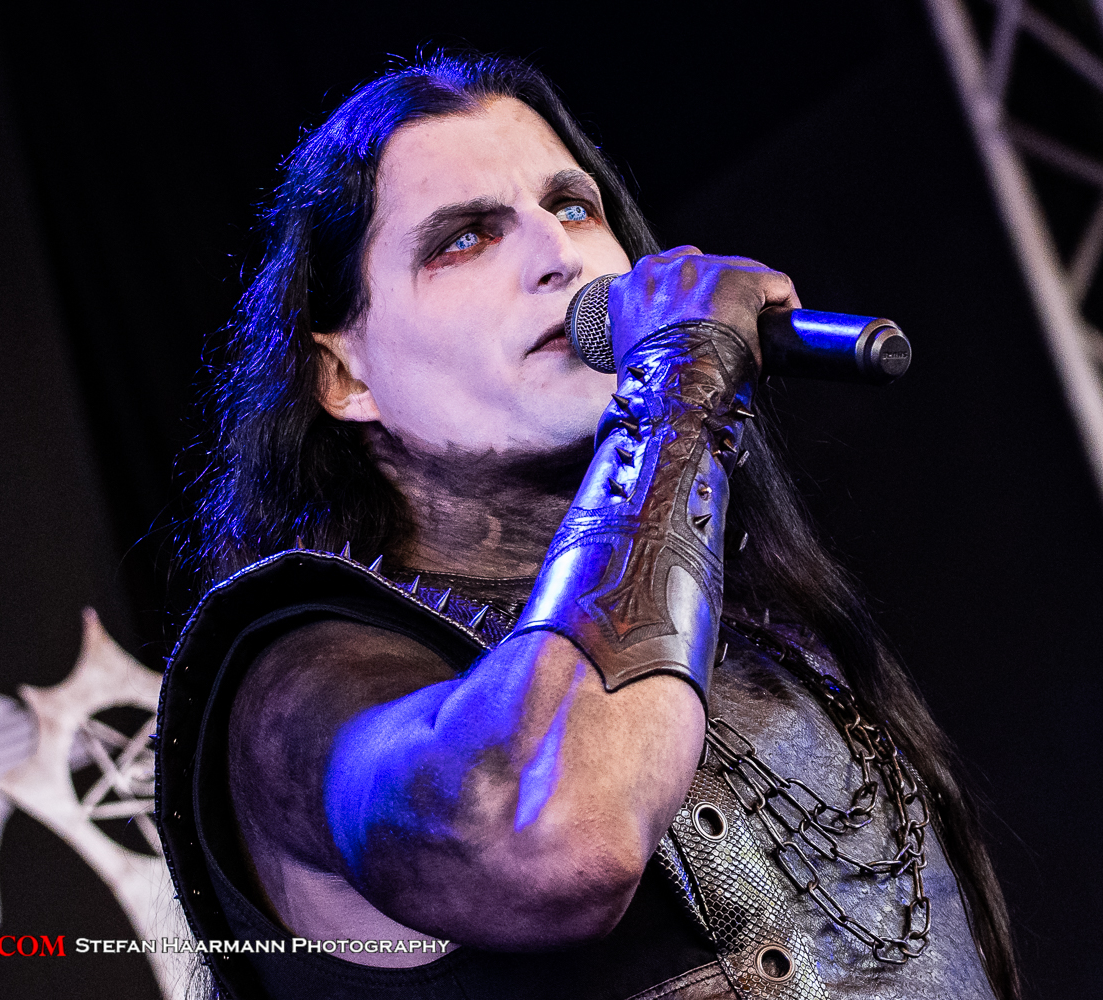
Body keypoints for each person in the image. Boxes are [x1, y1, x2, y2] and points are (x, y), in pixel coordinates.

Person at [155, 52, 1020, 1000]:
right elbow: (550, 836)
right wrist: (679, 388)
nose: (556, 256)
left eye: (572, 207)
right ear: (345, 375)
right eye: (465, 239)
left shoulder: (768, 639)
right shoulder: (299, 683)